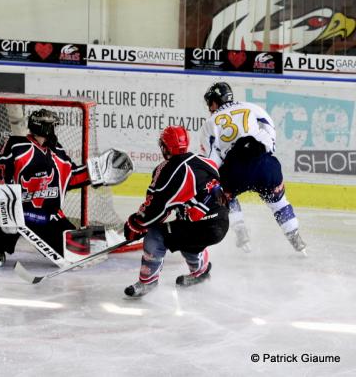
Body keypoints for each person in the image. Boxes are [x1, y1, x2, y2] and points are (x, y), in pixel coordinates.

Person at [0, 108, 132, 267]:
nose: (54, 130)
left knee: (75, 248)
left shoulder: (56, 151)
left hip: (47, 216)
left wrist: (96, 172)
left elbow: (70, 176)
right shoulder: (16, 145)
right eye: (52, 126)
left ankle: (92, 238)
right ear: (45, 128)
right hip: (15, 214)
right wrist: (2, 200)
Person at [199, 82, 306, 254]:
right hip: (264, 164)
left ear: (214, 102)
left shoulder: (210, 123)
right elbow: (268, 124)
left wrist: (218, 183)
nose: (209, 107)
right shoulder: (250, 107)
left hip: (235, 172)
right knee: (278, 202)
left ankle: (241, 231)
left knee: (228, 197)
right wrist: (269, 146)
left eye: (209, 103)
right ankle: (295, 237)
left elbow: (211, 159)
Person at [123, 125, 229, 297]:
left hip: (200, 227)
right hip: (221, 223)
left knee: (156, 235)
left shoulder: (167, 171)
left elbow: (156, 209)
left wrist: (135, 224)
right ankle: (200, 270)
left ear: (165, 147)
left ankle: (147, 282)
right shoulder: (204, 161)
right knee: (183, 234)